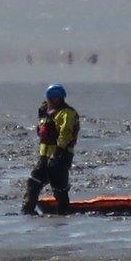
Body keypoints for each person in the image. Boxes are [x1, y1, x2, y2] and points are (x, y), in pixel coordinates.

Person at [22, 84, 80, 215]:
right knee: (33, 181)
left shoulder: (67, 113)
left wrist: (58, 151)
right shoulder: (45, 111)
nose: (52, 100)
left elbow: (65, 133)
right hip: (44, 155)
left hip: (60, 155)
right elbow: (42, 132)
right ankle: (27, 211)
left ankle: (62, 213)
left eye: (55, 98)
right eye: (50, 98)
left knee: (59, 187)